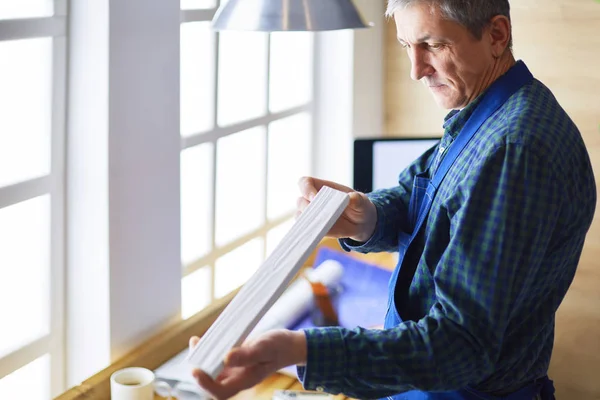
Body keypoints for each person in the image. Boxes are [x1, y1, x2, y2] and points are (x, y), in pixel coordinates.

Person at [189, 0, 597, 399]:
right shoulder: (487, 111)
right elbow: (422, 193)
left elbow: (459, 345)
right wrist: (366, 217)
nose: (416, 70)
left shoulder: (514, 149)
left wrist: (303, 350)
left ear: (496, 35)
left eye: (432, 46)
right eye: (406, 46)